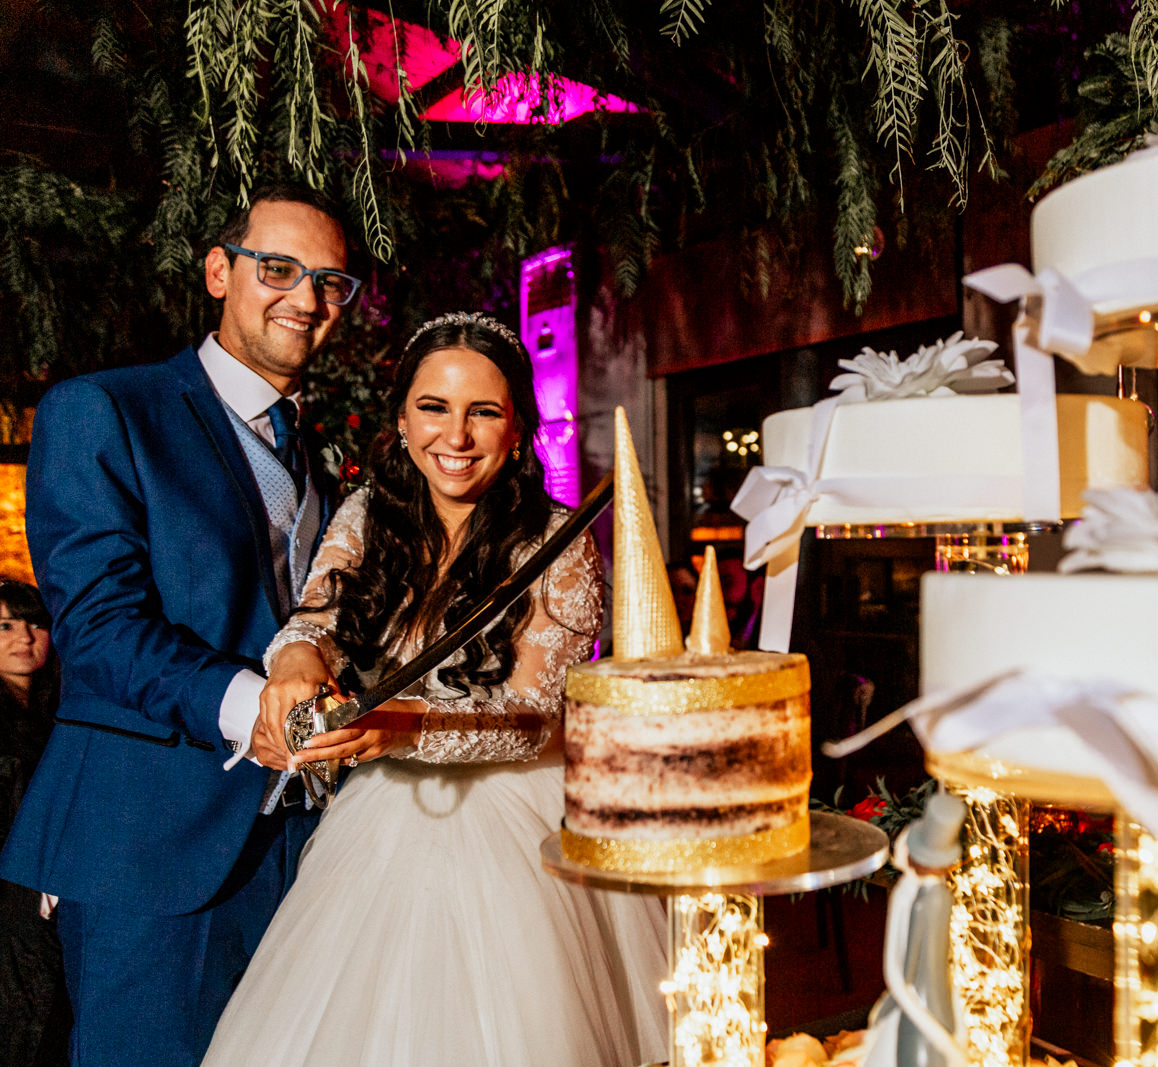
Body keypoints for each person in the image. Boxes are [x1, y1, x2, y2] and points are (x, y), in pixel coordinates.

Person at [202, 313, 670, 1067]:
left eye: (483, 411)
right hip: (382, 811)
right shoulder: (365, 513)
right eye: (434, 407)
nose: (456, 436)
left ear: (517, 427)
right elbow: (315, 615)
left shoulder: (559, 541)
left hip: (520, 819)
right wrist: (293, 661)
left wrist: (399, 726)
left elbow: (531, 720)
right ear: (401, 418)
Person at [0, 184, 353, 1066]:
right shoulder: (105, 410)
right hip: (151, 852)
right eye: (279, 269)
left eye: (330, 281)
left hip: (298, 846)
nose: (306, 299)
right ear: (217, 271)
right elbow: (100, 629)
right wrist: (253, 707)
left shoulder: (311, 449)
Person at [0, 580, 70, 1067]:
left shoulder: (66, 712)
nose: (24, 638)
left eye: (36, 624)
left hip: (55, 902)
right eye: (5, 626)